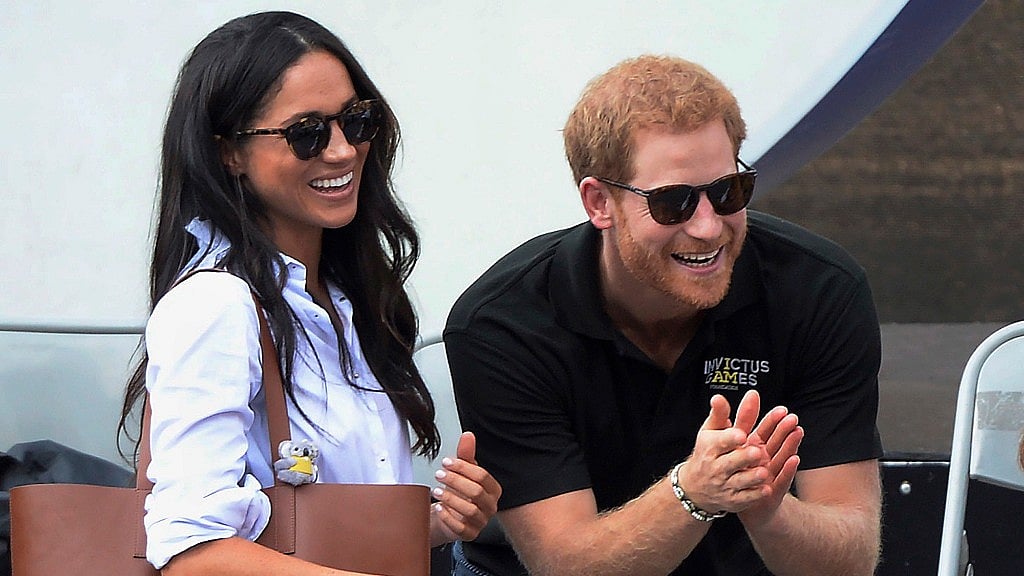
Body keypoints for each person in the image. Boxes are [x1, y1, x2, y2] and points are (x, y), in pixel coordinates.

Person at [444, 55, 883, 576]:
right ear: (598, 202)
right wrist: (691, 493)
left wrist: (769, 512)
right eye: (673, 203)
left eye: (727, 192)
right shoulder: (503, 324)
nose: (707, 228)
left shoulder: (819, 290)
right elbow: (562, 565)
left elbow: (851, 559)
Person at [117, 11, 500, 575]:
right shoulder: (215, 307)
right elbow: (190, 554)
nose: (343, 151)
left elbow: (315, 531)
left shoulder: (349, 299)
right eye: (307, 133)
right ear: (229, 153)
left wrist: (439, 523)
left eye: (356, 120)